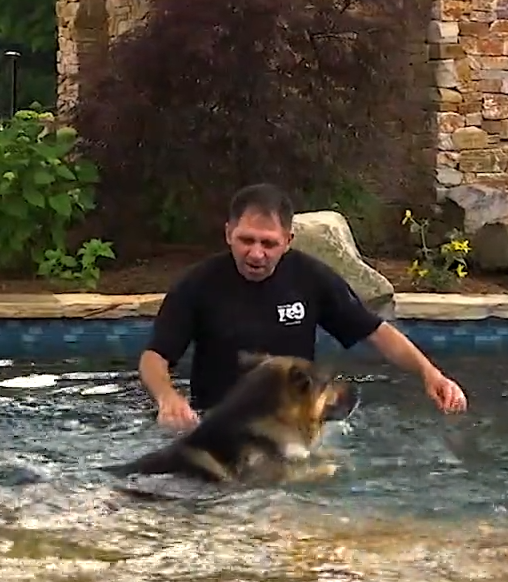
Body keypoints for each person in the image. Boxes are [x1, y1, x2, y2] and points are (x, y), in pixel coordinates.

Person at [139, 183, 469, 431]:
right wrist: (167, 397)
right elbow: (155, 356)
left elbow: (375, 331)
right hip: (220, 422)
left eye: (268, 243)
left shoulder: (310, 278)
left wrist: (430, 374)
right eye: (246, 240)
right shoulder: (197, 285)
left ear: (288, 240)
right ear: (228, 234)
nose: (256, 253)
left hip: (295, 422)